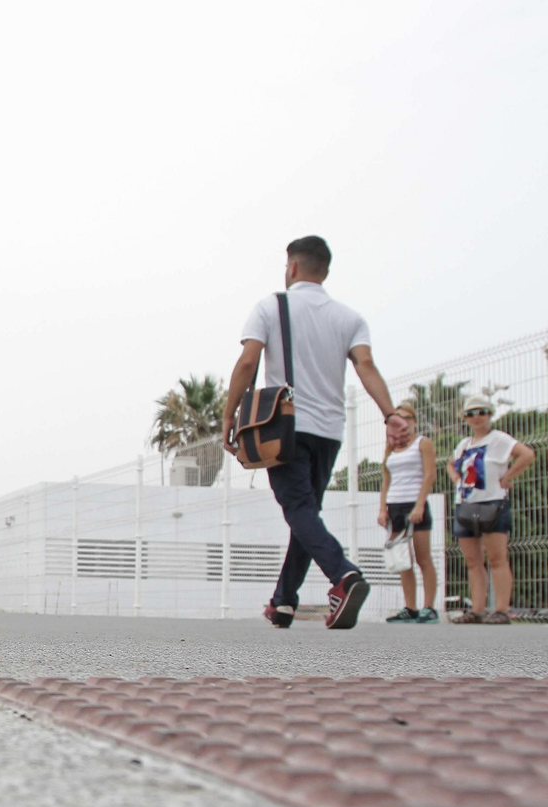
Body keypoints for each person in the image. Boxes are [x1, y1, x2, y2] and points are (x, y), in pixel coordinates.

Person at [221, 235, 404, 630]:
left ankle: (343, 575)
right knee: (306, 514)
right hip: (329, 432)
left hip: (284, 427)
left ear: (292, 268)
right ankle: (284, 600)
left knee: (300, 511)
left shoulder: (270, 306)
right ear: (325, 270)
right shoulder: (349, 318)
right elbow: (366, 365)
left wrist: (229, 413)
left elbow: (247, 362)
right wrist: (389, 413)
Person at [447, 394, 535, 624]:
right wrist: (456, 479)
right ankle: (477, 609)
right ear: (465, 418)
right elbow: (450, 463)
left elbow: (526, 454)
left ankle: (502, 609)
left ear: (490, 415)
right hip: (466, 503)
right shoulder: (464, 444)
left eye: (482, 412)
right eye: (471, 413)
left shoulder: (499, 439)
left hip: (492, 501)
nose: (476, 417)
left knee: (497, 557)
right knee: (473, 560)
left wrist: (508, 477)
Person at [377, 402, 438, 622]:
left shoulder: (423, 443)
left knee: (423, 557)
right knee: (403, 559)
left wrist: (420, 504)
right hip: (395, 505)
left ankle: (429, 607)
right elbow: (386, 478)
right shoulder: (391, 447)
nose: (403, 423)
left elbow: (430, 475)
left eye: (407, 419)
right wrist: (382, 507)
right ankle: (409, 607)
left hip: (415, 503)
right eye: (398, 419)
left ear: (413, 422)